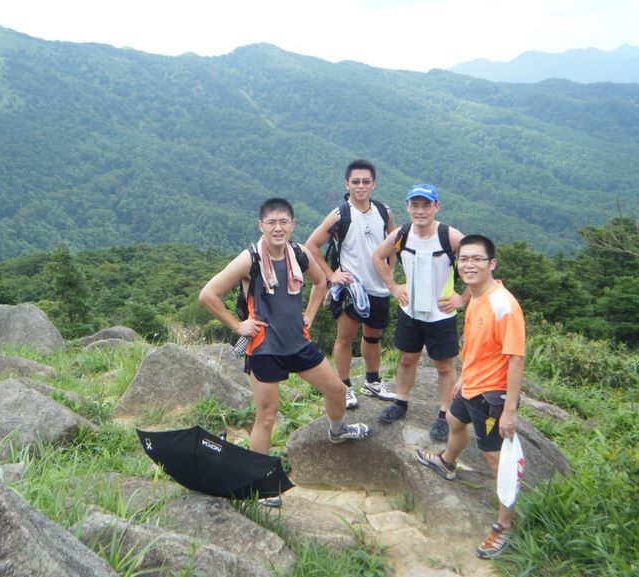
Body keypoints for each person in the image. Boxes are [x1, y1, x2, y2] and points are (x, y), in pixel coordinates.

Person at [199, 198, 373, 500]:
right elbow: (208, 294)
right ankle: (260, 483)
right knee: (266, 416)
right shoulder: (250, 259)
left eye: (283, 222)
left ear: (292, 225)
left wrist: (310, 314)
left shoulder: (299, 253)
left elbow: (320, 283)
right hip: (264, 348)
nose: (278, 228)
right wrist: (238, 326)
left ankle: (337, 430)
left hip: (297, 343)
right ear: (261, 226)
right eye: (271, 223)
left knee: (336, 391)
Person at [414, 234, 525, 559]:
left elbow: (515, 359)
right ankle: (447, 462)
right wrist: (463, 376)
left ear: (492, 264)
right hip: (472, 383)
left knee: (494, 456)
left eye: (477, 259)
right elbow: (478, 346)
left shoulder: (504, 306)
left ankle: (504, 524)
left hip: (492, 395)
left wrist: (509, 410)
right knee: (453, 419)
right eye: (464, 259)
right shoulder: (476, 296)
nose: (469, 265)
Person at [371, 183, 466, 439]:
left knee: (444, 366)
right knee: (406, 358)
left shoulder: (449, 235)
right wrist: (393, 287)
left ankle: (445, 414)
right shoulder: (402, 234)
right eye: (415, 205)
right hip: (410, 312)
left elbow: (480, 261)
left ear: (436, 207)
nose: (420, 211)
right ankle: (400, 402)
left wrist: (463, 298)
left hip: (441, 314)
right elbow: (378, 256)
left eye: (426, 205)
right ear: (407, 207)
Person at [305, 159, 397, 410]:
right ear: (347, 184)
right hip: (352, 288)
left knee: (373, 336)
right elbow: (311, 245)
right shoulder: (340, 214)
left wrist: (390, 271)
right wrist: (331, 275)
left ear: (373, 184)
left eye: (366, 181)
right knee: (345, 338)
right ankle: (344, 386)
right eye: (355, 181)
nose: (361, 186)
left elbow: (395, 241)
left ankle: (372, 381)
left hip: (378, 286)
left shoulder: (383, 211)